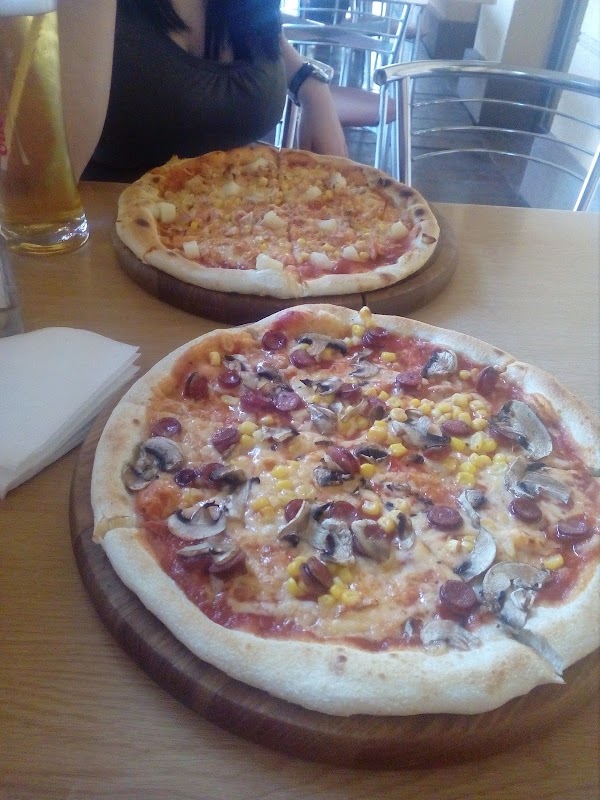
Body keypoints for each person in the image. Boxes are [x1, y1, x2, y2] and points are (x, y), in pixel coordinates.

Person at [57, 0, 348, 183]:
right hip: (104, 239)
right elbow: (50, 184)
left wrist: (311, 86)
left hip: (244, 228)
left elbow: (270, 38)